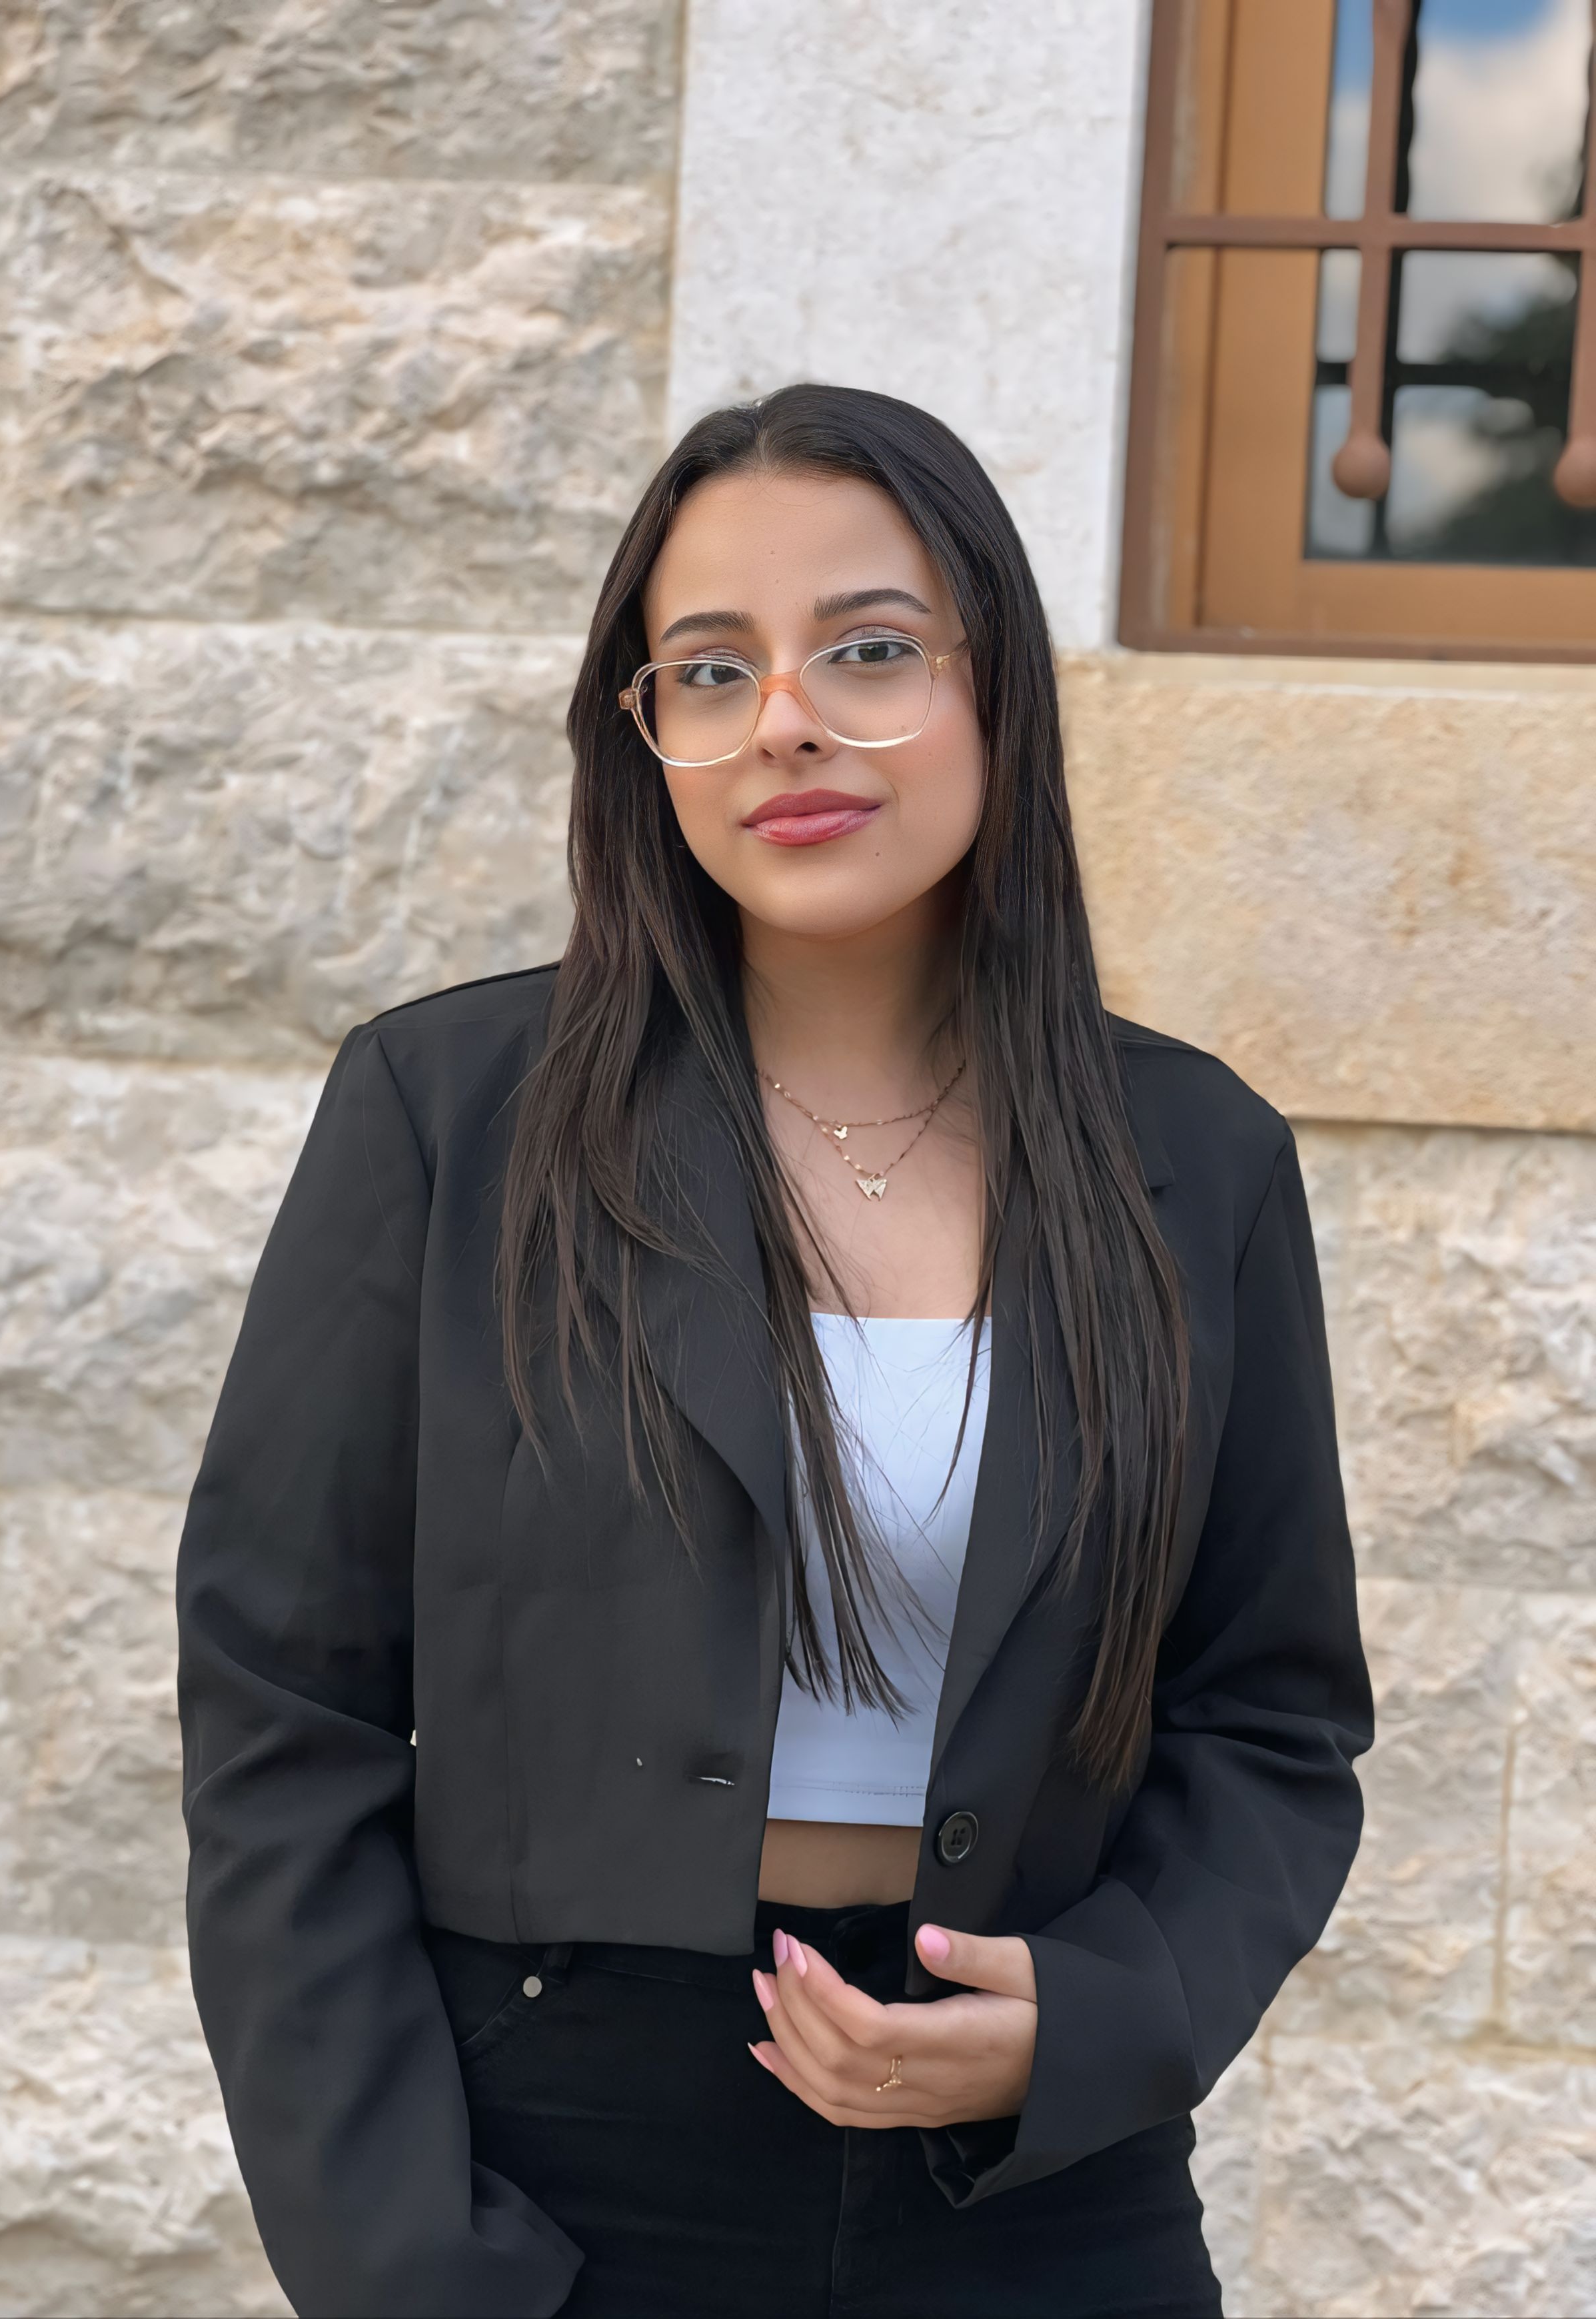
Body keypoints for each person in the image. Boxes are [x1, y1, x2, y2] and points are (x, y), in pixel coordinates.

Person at [177, 383, 1373, 2319]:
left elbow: (1271, 1716)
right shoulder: (451, 1114)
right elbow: (280, 1713)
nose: (787, 722)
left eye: (871, 650)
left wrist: (1100, 2019)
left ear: (998, 687)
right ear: (644, 732)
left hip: (1036, 2196)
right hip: (556, 2169)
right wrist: (403, 2259)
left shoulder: (1195, 1159)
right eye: (712, 671)